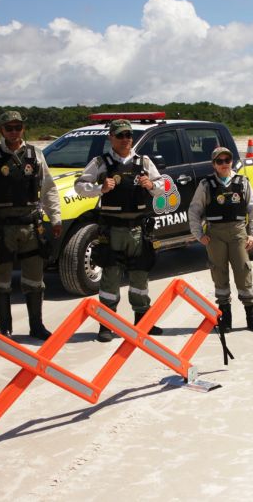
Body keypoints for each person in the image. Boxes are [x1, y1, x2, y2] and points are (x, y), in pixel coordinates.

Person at [0, 110, 62, 341]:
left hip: (32, 225)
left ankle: (36, 326)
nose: (13, 131)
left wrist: (56, 217)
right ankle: (5, 328)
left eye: (17, 127)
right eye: (8, 128)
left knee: (34, 279)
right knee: (1, 279)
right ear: (1, 130)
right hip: (2, 227)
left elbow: (48, 188)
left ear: (23, 129)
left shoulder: (35, 155)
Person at [74, 119, 165, 342]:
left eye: (128, 135)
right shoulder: (101, 162)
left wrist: (151, 185)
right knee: (110, 278)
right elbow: (79, 185)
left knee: (140, 276)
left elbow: (162, 187)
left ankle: (143, 322)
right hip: (112, 230)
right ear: (111, 138)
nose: (126, 139)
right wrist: (99, 188)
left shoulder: (143, 161)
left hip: (137, 230)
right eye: (121, 135)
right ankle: (106, 325)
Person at [188, 146, 253, 333]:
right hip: (215, 234)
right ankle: (225, 316)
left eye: (227, 160)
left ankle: (251, 315)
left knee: (243, 272)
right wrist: (199, 235)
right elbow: (194, 210)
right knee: (219, 274)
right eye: (219, 161)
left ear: (231, 161)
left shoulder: (243, 182)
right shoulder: (206, 185)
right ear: (213, 164)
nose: (224, 164)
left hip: (238, 232)